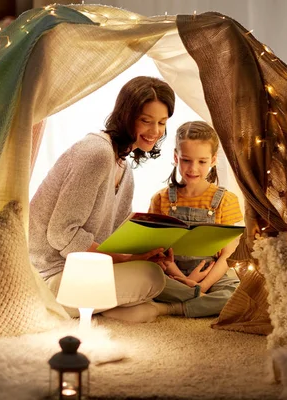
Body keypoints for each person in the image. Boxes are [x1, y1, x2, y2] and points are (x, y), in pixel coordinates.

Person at [29, 76, 177, 323]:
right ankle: (147, 308)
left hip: (81, 270)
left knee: (152, 274)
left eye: (162, 123)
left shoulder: (125, 168)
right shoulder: (96, 153)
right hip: (50, 276)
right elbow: (62, 234)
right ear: (126, 116)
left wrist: (146, 251)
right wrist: (127, 260)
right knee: (151, 278)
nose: (155, 132)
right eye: (146, 121)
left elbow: (113, 239)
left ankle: (103, 309)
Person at [148, 121, 243, 318]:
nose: (193, 168)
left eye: (202, 161)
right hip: (171, 273)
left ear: (213, 160)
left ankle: (173, 308)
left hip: (211, 274)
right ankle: (196, 300)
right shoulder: (161, 199)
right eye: (186, 160)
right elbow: (157, 249)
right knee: (144, 280)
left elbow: (227, 255)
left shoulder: (226, 200)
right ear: (176, 157)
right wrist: (184, 279)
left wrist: (201, 285)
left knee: (237, 294)